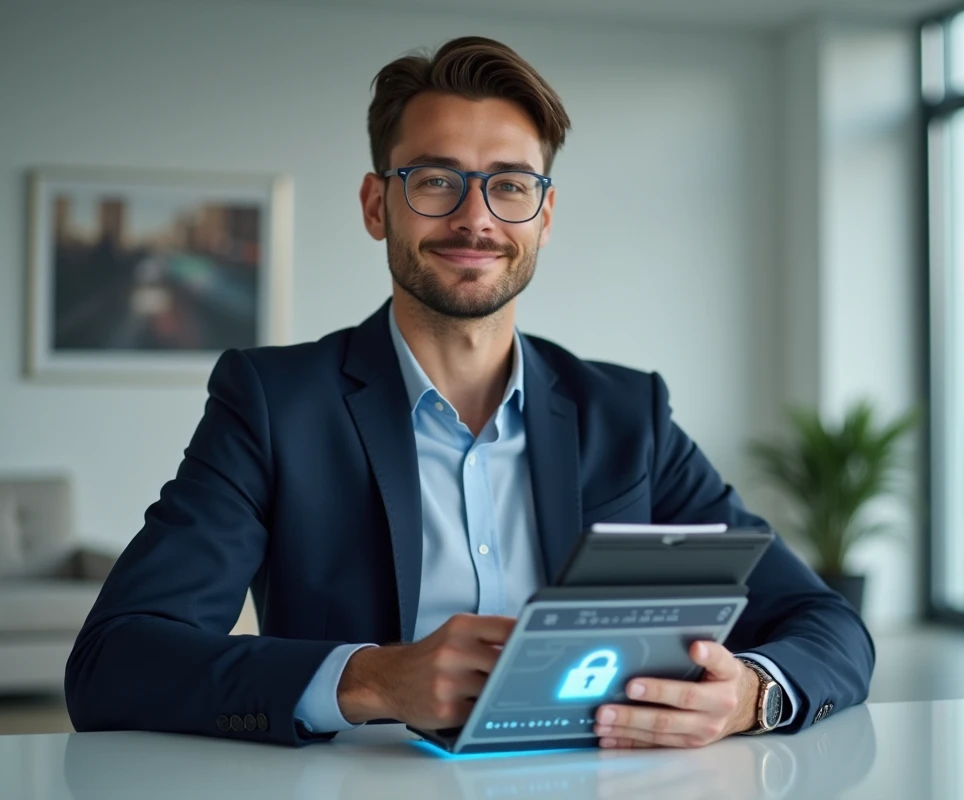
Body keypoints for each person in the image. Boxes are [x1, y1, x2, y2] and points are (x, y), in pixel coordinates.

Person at [65, 36, 874, 749]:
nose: (474, 218)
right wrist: (373, 679)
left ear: (545, 215)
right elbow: (116, 660)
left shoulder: (631, 416)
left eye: (510, 185)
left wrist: (753, 698)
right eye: (436, 181)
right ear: (377, 204)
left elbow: (826, 622)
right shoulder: (276, 404)